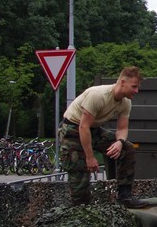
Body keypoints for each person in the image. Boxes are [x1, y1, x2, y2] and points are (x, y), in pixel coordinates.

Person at [59, 66, 147, 207]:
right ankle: (80, 208)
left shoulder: (126, 102)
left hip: (93, 129)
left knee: (127, 148)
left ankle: (125, 196)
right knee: (80, 169)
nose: (137, 91)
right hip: (73, 129)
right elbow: (83, 127)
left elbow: (122, 128)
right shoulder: (98, 95)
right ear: (122, 82)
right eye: (134, 87)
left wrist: (120, 142)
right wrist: (90, 157)